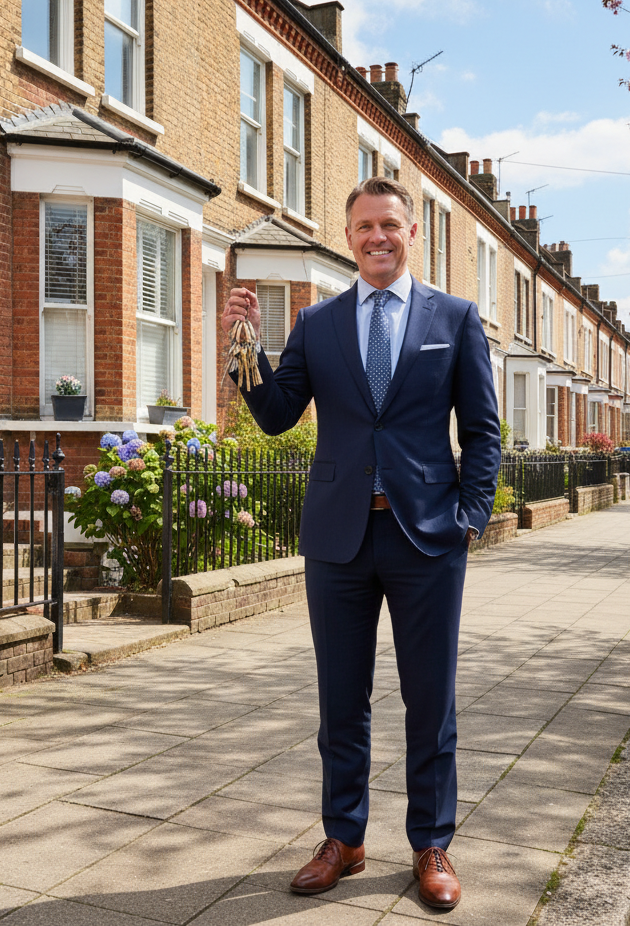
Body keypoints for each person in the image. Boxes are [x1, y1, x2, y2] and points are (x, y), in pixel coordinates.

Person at [221, 177, 501, 910]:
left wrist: (470, 516)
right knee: (340, 700)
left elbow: (482, 432)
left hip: (428, 538)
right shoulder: (318, 324)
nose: (377, 237)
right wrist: (244, 348)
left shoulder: (457, 318)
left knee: (429, 700)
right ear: (348, 237)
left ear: (412, 234)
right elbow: (279, 416)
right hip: (338, 537)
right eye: (364, 227)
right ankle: (342, 839)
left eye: (389, 225)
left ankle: (431, 844)